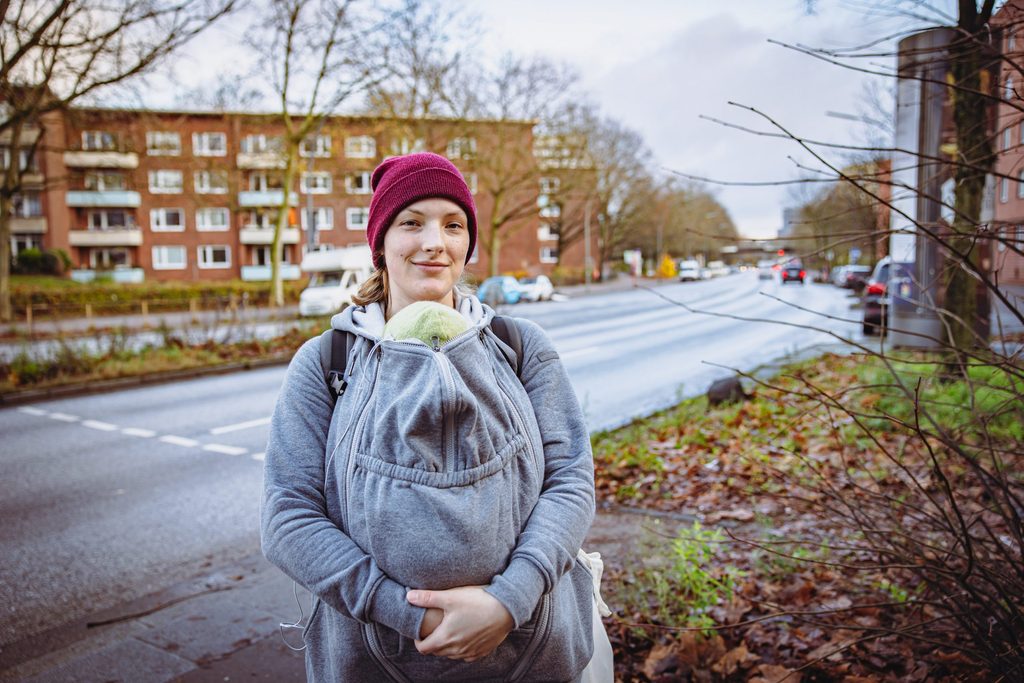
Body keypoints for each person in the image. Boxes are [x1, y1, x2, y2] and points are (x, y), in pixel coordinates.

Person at [260, 152, 600, 682]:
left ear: (468, 244)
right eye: (411, 223)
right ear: (380, 243)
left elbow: (571, 480)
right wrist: (404, 612)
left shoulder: (521, 347)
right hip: (373, 663)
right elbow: (287, 515)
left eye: (453, 224)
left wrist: (510, 600)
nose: (434, 242)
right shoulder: (326, 362)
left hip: (533, 655)